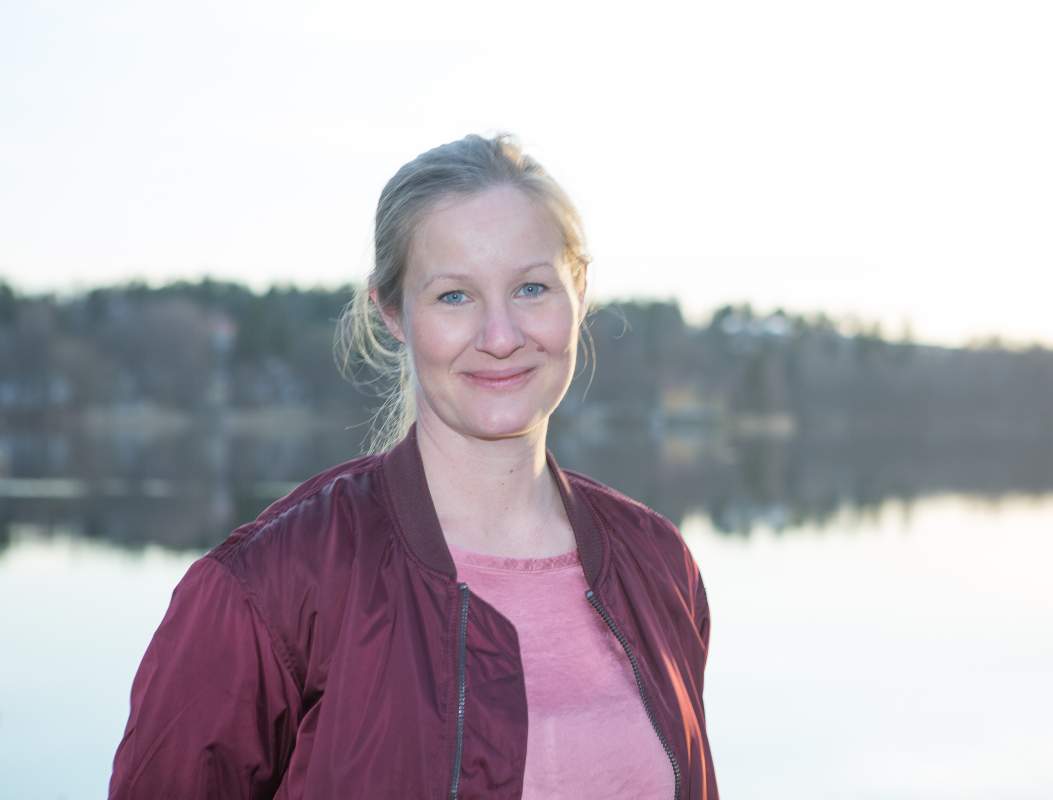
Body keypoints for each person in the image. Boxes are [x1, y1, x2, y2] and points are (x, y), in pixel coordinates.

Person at [109, 133, 717, 799]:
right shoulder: (270, 586)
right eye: (454, 296)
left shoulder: (659, 566)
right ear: (393, 312)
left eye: (531, 288)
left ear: (579, 293)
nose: (500, 336)